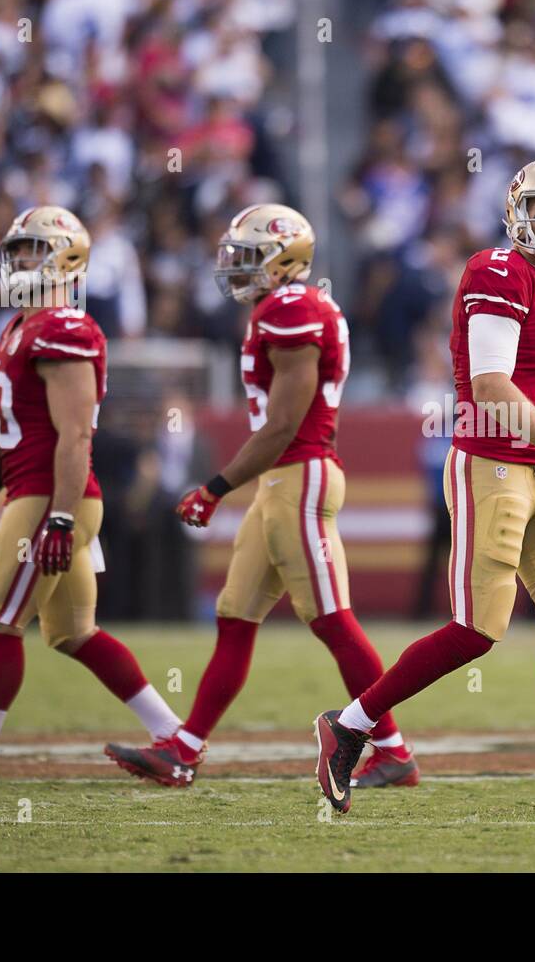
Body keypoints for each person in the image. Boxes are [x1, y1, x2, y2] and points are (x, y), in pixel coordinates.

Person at [313, 159, 535, 814]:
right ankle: (350, 726)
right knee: (477, 629)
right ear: (515, 209)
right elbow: (491, 389)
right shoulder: (498, 270)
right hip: (492, 467)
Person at [104, 205, 417, 789]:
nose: (237, 267)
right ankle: (185, 750)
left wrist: (215, 487)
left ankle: (394, 750)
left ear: (286, 260)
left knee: (332, 622)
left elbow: (281, 425)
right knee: (234, 618)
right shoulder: (281, 308)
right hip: (281, 483)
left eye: (250, 256)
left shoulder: (293, 308)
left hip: (299, 475)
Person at [0, 207, 180, 785]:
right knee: (75, 634)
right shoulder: (19, 327)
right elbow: (24, 434)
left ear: (65, 258)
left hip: (51, 497)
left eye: (32, 250)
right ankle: (173, 737)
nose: (19, 262)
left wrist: (58, 517)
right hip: (39, 491)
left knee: (1, 622)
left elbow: (75, 434)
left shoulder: (64, 328)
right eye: (17, 251)